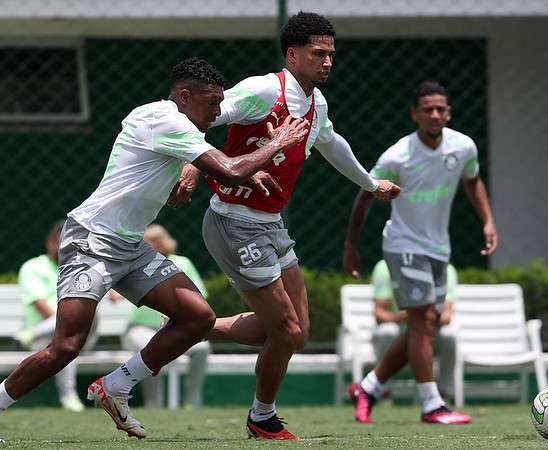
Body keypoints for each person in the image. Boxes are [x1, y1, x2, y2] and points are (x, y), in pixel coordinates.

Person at [0, 57, 310, 444]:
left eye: (219, 103)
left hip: (130, 244)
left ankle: (116, 386)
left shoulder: (169, 120)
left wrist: (198, 171)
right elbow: (228, 170)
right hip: (92, 241)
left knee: (197, 317)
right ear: (184, 95)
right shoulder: (169, 121)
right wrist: (277, 143)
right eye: (211, 103)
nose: (217, 111)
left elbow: (207, 164)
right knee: (67, 345)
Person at [171, 12, 399, 440]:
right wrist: (192, 164)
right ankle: (262, 417)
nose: (328, 61)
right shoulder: (262, 90)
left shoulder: (317, 104)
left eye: (331, 54)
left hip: (271, 224)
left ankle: (197, 324)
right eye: (319, 53)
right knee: (286, 330)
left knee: (298, 331)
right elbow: (201, 118)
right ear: (292, 55)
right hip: (234, 222)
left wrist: (370, 183)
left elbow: (332, 143)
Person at [343, 81, 498, 425]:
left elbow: (473, 180)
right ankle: (432, 404)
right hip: (403, 245)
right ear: (414, 114)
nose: (435, 114)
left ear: (449, 112)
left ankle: (368, 386)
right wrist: (351, 245)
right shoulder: (397, 155)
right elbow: (366, 194)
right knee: (422, 319)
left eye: (441, 108)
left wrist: (487, 221)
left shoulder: (463, 147)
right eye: (427, 109)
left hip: (439, 249)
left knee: (424, 325)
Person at [120, 224, 211, 408]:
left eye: (147, 243)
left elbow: (200, 296)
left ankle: (192, 403)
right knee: (149, 348)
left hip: (177, 329)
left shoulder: (182, 263)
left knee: (201, 349)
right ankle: (153, 404)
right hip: (141, 329)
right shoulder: (142, 266)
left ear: (161, 244)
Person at [14, 220, 99, 412]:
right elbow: (39, 304)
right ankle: (69, 397)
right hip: (46, 338)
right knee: (65, 344)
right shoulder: (33, 267)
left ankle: (29, 334)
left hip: (83, 336)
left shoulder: (83, 267)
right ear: (51, 241)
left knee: (88, 313)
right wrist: (66, 324)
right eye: (63, 240)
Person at [369, 260, 458, 401]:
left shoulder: (445, 268)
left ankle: (442, 397)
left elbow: (446, 315)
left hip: (429, 333)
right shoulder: (385, 267)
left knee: (448, 335)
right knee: (387, 331)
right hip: (400, 334)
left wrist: (424, 317)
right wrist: (404, 317)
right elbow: (379, 312)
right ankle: (380, 391)